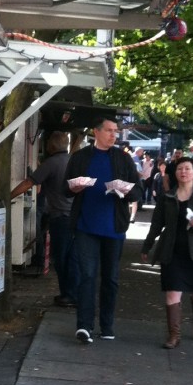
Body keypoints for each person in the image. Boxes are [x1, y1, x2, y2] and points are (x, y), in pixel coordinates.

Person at [65, 116, 143, 343]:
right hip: (85, 226)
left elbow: (138, 192)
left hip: (114, 226)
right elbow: (65, 188)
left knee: (110, 278)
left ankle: (107, 325)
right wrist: (75, 187)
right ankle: (84, 326)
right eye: (109, 130)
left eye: (115, 131)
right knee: (87, 275)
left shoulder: (123, 158)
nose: (114, 135)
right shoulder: (80, 158)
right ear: (96, 132)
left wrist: (125, 190)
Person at [141, 157, 193, 348]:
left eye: (187, 168)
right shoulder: (168, 197)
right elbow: (157, 224)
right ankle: (173, 335)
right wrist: (147, 246)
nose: (183, 172)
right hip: (172, 251)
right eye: (180, 169)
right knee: (172, 294)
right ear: (175, 173)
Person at [13, 131, 77, 307]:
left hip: (61, 217)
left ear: (53, 145)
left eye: (47, 141)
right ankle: (73, 293)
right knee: (72, 257)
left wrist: (7, 196)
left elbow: (29, 183)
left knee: (62, 257)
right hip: (75, 216)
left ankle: (69, 295)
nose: (46, 144)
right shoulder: (73, 160)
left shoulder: (51, 163)